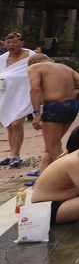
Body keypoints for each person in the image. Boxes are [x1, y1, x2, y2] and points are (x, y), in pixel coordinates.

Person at [27, 55, 79, 176]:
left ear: (32, 61)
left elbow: (35, 89)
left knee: (53, 148)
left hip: (55, 106)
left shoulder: (35, 67)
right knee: (51, 146)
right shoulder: (65, 67)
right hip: (73, 105)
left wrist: (37, 113)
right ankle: (42, 179)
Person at [0, 32, 34, 168]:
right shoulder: (2, 58)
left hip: (25, 95)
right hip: (7, 95)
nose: (11, 45)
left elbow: (45, 68)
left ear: (22, 43)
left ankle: (16, 155)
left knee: (16, 124)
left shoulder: (31, 57)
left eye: (14, 42)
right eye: (8, 43)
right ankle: (11, 155)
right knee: (9, 125)